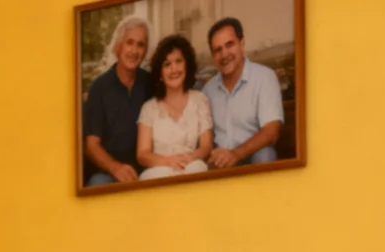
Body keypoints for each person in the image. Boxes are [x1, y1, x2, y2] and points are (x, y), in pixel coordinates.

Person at [202, 17, 284, 168]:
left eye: (229, 44)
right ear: (213, 56)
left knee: (264, 154)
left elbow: (272, 132)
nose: (224, 54)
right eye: (218, 50)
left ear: (242, 43)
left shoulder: (264, 77)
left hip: (253, 156)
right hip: (221, 161)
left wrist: (236, 154)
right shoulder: (208, 91)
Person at [83, 16, 153, 187]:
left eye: (140, 44)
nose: (134, 51)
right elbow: (91, 145)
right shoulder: (99, 88)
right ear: (118, 46)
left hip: (146, 169)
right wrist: (116, 168)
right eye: (129, 42)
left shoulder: (151, 83)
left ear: (145, 51)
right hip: (107, 173)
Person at [135, 35, 214, 180]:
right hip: (159, 170)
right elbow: (142, 154)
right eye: (167, 64)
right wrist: (169, 162)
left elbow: (206, 146)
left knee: (198, 170)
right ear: (160, 73)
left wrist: (190, 157)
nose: (174, 69)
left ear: (187, 65)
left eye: (178, 61)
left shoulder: (200, 100)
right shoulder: (149, 108)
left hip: (192, 166)